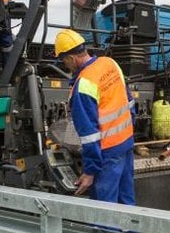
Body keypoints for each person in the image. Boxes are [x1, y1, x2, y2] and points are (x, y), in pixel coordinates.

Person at [55, 28, 136, 205]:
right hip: (126, 145)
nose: (66, 66)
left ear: (70, 58)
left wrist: (90, 171)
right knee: (127, 204)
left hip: (107, 155)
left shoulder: (83, 85)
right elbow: (130, 103)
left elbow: (89, 135)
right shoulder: (110, 63)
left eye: (64, 62)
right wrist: (127, 135)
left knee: (104, 211)